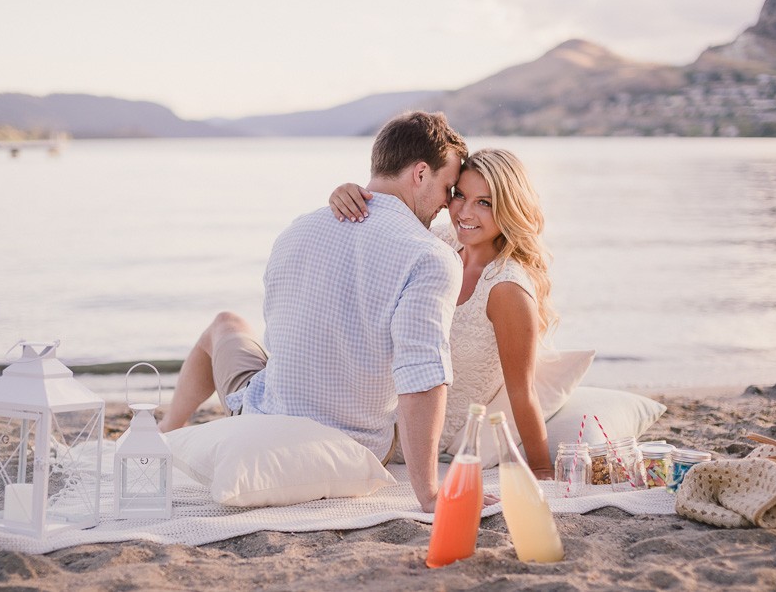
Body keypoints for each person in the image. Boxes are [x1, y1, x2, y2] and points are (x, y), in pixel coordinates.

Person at [159, 111, 469, 512]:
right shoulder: (432, 256)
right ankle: (166, 430)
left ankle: (165, 430)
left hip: (266, 414)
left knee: (224, 325)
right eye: (448, 187)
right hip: (356, 443)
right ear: (421, 173)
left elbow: (281, 330)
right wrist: (428, 492)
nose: (448, 203)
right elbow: (420, 376)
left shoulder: (296, 231)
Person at [329, 148, 557, 479]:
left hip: (410, 436)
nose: (464, 212)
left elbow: (522, 391)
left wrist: (540, 468)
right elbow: (371, 240)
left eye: (484, 202)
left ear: (509, 208)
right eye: (459, 195)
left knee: (230, 337)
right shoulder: (440, 242)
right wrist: (348, 195)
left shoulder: (506, 288)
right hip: (373, 405)